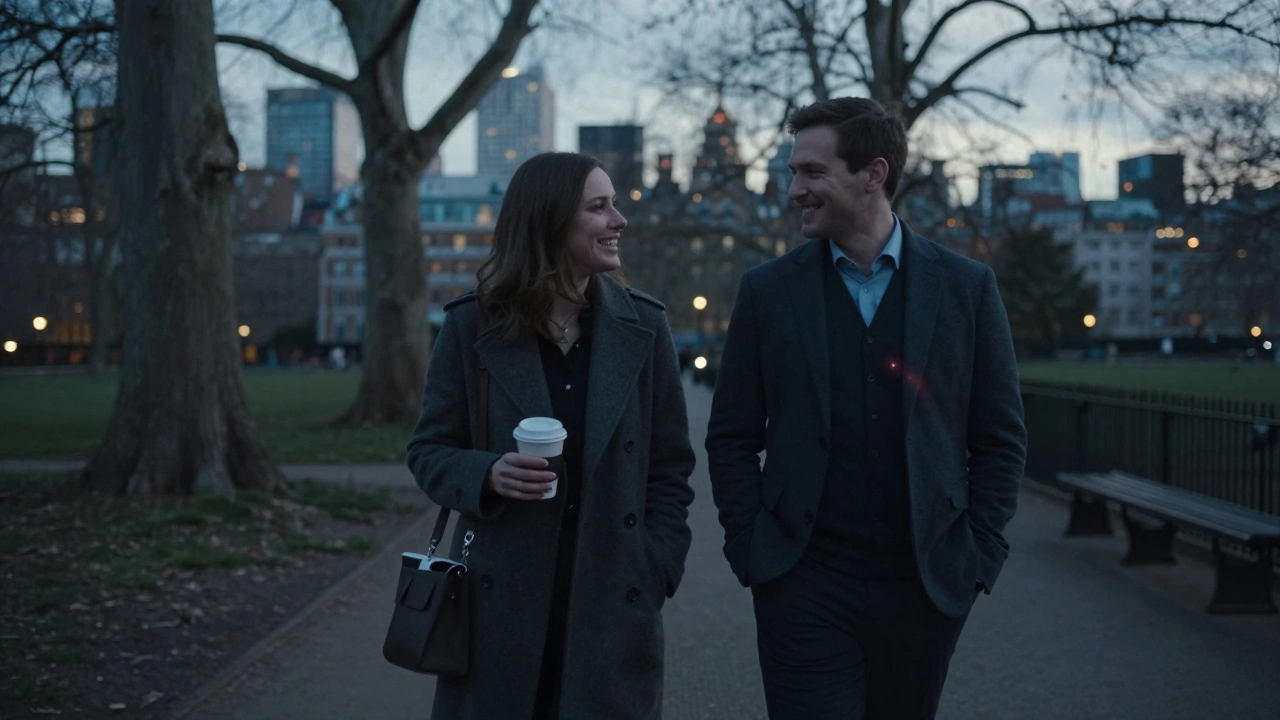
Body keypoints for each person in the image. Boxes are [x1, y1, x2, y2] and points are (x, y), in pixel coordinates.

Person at [706, 98, 1027, 719]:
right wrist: (752, 547)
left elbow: (1001, 438)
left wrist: (978, 555)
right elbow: (731, 435)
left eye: (812, 173)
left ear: (873, 174)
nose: (795, 189)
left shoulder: (966, 288)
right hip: (803, 585)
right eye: (794, 173)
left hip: (927, 589)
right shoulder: (767, 291)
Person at [407, 152, 696, 720]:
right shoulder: (472, 327)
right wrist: (486, 473)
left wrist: (656, 565)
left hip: (614, 599)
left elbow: (670, 469)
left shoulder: (645, 326)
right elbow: (428, 451)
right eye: (599, 207)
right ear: (549, 222)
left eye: (615, 204)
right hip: (499, 607)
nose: (620, 220)